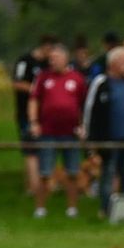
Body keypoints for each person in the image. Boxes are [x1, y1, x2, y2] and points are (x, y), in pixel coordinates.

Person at [28, 44, 88, 218]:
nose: (52, 61)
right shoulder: (43, 77)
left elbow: (83, 104)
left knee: (72, 172)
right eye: (50, 58)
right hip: (47, 131)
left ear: (65, 59)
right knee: (44, 172)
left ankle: (72, 208)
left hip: (71, 133)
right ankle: (40, 208)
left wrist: (83, 125)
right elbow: (34, 101)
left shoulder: (77, 78)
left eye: (55, 58)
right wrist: (34, 122)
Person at [83, 46, 124, 216]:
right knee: (108, 174)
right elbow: (90, 110)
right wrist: (91, 139)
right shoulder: (102, 83)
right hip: (108, 139)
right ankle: (105, 209)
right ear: (115, 63)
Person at [13, 34, 57, 195]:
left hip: (45, 115)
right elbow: (17, 83)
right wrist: (37, 90)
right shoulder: (25, 61)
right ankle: (32, 187)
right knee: (30, 150)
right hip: (26, 113)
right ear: (44, 46)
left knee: (44, 149)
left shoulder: (49, 65)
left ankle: (46, 184)